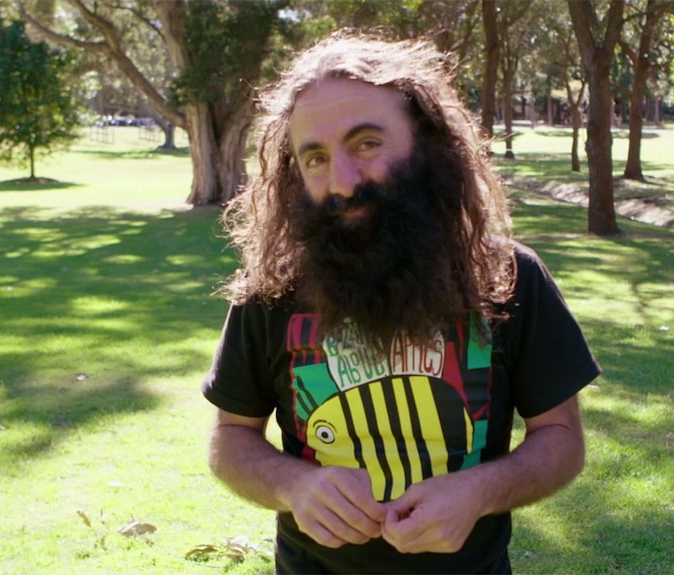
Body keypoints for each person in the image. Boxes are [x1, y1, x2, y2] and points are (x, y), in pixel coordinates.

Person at [202, 33, 601, 575]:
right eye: (314, 157)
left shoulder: (509, 277)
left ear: (427, 142)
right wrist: (295, 485)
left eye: (366, 143)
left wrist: (478, 491)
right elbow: (231, 438)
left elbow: (561, 437)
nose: (342, 182)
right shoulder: (271, 290)